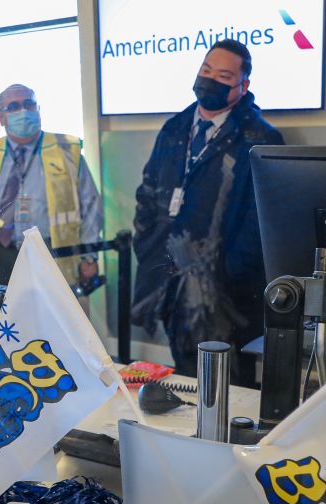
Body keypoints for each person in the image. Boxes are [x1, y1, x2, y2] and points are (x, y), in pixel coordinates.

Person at [130, 40, 283, 385]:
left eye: (224, 75)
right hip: (170, 277)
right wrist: (147, 245)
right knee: (184, 378)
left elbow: (263, 221)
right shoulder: (175, 129)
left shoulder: (259, 137)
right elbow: (148, 192)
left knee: (229, 383)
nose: (210, 80)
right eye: (206, 70)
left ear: (242, 87)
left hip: (225, 292)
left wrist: (231, 269)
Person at [0, 84, 103, 287]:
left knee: (50, 318)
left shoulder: (66, 150)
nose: (24, 111)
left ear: (38, 109)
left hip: (51, 254)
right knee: (1, 319)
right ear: (1, 118)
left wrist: (89, 257)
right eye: (14, 106)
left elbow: (91, 206)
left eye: (29, 104)